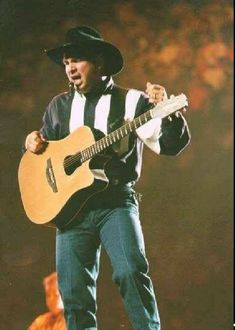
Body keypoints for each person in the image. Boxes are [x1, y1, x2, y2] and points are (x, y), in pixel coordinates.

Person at [25, 26, 190, 330]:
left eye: (78, 60)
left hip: (115, 203)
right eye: (66, 62)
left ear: (99, 63)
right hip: (72, 211)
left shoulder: (132, 102)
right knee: (74, 295)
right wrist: (31, 142)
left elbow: (168, 145)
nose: (70, 67)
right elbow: (44, 152)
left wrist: (168, 113)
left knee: (130, 272)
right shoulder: (58, 106)